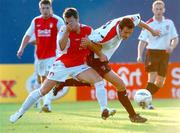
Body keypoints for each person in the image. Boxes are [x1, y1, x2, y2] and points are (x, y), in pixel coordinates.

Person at [9, 7, 115, 123]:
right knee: (42, 91)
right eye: (66, 21)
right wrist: (67, 32)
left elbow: (98, 46)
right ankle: (19, 112)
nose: (68, 24)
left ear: (77, 19)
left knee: (99, 80)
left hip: (79, 66)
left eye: (71, 21)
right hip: (62, 65)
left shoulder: (88, 30)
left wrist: (94, 48)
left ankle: (104, 109)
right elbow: (61, 47)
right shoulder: (64, 31)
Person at [53, 13, 160, 123]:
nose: (127, 35)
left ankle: (62, 83)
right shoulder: (106, 36)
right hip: (94, 57)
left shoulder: (130, 21)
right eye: (125, 33)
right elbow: (88, 42)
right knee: (120, 84)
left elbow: (139, 21)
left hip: (100, 56)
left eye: (130, 33)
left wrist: (152, 31)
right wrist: (100, 54)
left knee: (93, 82)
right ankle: (133, 116)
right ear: (119, 28)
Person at [16, 0, 65, 112]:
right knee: (39, 79)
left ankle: (47, 104)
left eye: (47, 8)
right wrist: (21, 48)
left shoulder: (58, 21)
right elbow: (27, 35)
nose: (45, 10)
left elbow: (65, 34)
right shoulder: (36, 21)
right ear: (40, 9)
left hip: (52, 55)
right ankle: (37, 101)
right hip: (39, 57)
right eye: (43, 8)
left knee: (47, 78)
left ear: (50, 7)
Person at [137, 0, 179, 109]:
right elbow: (142, 41)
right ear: (153, 10)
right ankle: (147, 104)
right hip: (152, 52)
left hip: (164, 54)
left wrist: (172, 46)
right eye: (157, 9)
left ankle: (143, 98)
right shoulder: (149, 23)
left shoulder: (169, 23)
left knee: (160, 82)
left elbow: (175, 38)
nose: (159, 11)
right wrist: (139, 55)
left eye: (161, 9)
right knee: (152, 77)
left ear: (164, 10)